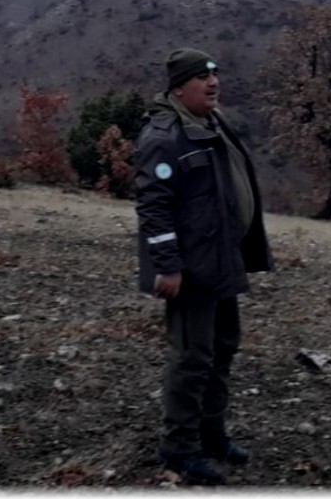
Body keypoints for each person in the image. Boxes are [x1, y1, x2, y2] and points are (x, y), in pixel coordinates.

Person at [135, 48, 274, 485]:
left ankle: (212, 435)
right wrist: (168, 266)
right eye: (201, 78)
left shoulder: (211, 122)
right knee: (192, 357)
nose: (213, 84)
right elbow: (153, 208)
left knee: (223, 347)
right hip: (192, 269)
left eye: (214, 75)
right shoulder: (165, 136)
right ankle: (180, 449)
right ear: (179, 88)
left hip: (222, 261)